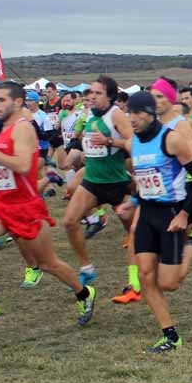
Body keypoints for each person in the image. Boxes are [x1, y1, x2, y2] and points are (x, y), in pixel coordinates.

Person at [0, 82, 96, 330]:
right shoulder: (4, 128)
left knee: (48, 264)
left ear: (17, 102)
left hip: (26, 207)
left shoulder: (23, 129)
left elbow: (23, 166)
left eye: (1, 100)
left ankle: (84, 293)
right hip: (2, 203)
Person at [121, 91, 192, 352]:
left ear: (150, 113)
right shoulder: (134, 142)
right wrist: (134, 201)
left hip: (171, 213)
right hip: (148, 213)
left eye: (137, 114)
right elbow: (146, 178)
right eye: (129, 114)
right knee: (146, 276)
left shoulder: (171, 140)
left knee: (169, 283)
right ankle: (170, 335)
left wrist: (184, 214)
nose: (132, 119)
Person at [61, 76, 134, 287]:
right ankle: (87, 268)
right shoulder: (89, 115)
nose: (91, 96)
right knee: (69, 221)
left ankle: (135, 279)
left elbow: (133, 143)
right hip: (92, 181)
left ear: (110, 96)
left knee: (134, 233)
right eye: (90, 92)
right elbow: (87, 142)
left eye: (97, 93)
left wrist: (111, 141)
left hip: (117, 183)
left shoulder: (116, 115)